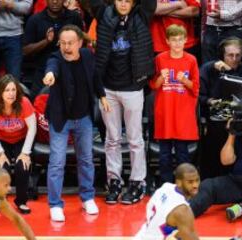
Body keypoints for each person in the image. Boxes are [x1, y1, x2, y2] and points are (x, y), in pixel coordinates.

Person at [86, 0, 156, 205]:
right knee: (112, 138)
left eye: (127, 0)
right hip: (108, 88)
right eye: (119, 0)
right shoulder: (103, 14)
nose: (123, 3)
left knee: (135, 139)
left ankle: (137, 182)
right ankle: (114, 180)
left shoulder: (142, 15)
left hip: (133, 88)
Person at [42, 24, 110, 222]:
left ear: (80, 43)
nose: (66, 47)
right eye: (62, 43)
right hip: (61, 119)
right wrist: (50, 75)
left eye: (70, 43)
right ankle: (55, 204)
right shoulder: (55, 59)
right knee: (57, 163)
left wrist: (102, 96)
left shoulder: (88, 56)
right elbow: (51, 68)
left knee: (86, 159)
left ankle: (87, 197)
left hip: (83, 118)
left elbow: (95, 77)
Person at [150, 24, 199, 184]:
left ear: (185, 40)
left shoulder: (191, 60)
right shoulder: (160, 59)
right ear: (167, 41)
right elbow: (154, 86)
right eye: (173, 40)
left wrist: (184, 80)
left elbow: (196, 88)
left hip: (182, 115)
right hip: (165, 113)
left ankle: (184, 186)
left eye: (180, 40)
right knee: (164, 156)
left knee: (182, 154)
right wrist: (160, 78)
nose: (177, 44)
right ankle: (166, 186)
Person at [0, 74, 37, 214]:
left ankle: (21, 201)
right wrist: (0, 153)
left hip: (21, 138)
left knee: (22, 166)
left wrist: (25, 153)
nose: (11, 93)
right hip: (2, 140)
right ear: (0, 92)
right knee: (3, 168)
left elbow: (33, 127)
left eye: (13, 90)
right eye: (7, 90)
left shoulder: (24, 102)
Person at [199, 37, 242, 179]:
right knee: (215, 132)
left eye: (237, 55)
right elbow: (198, 95)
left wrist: (228, 72)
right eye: (230, 55)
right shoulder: (208, 69)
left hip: (239, 115)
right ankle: (211, 178)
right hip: (215, 116)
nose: (234, 59)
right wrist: (210, 101)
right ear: (222, 55)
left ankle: (233, 177)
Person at [190, 119, 242, 222]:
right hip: (236, 182)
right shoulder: (239, 133)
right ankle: (187, 212)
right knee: (209, 185)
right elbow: (226, 161)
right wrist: (231, 134)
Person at [22, 0, 83, 98]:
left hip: (69, 69)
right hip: (42, 70)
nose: (55, 1)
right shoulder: (35, 20)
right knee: (38, 104)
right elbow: (25, 50)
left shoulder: (74, 17)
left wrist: (68, 43)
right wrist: (46, 41)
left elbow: (81, 42)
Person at [134, 163, 200, 240]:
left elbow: (150, 207)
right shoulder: (183, 211)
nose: (195, 185)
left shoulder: (166, 187)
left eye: (197, 180)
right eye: (190, 182)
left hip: (141, 236)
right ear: (179, 182)